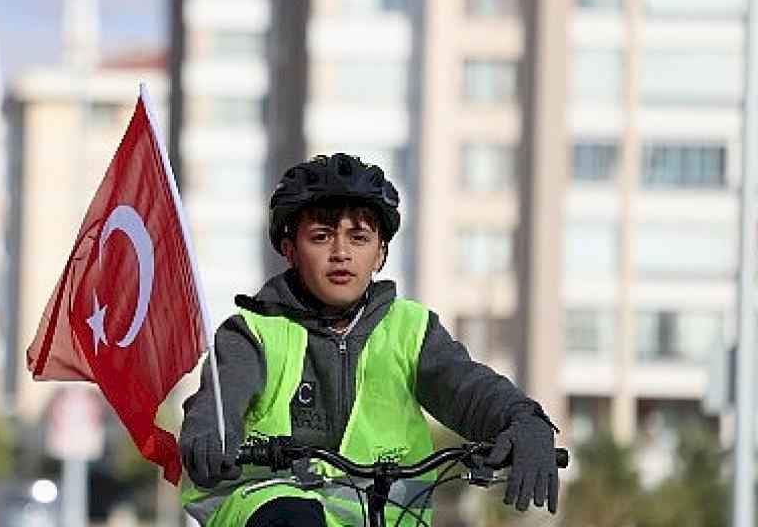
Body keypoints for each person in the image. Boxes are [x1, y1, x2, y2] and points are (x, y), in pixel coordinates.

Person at [178, 153, 560, 527]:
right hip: (269, 502)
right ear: (290, 250)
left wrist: (524, 420)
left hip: (385, 514)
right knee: (295, 517)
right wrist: (209, 434)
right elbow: (220, 399)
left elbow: (466, 387)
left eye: (359, 237)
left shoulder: (410, 328)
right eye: (321, 236)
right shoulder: (253, 332)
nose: (341, 253)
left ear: (380, 253)